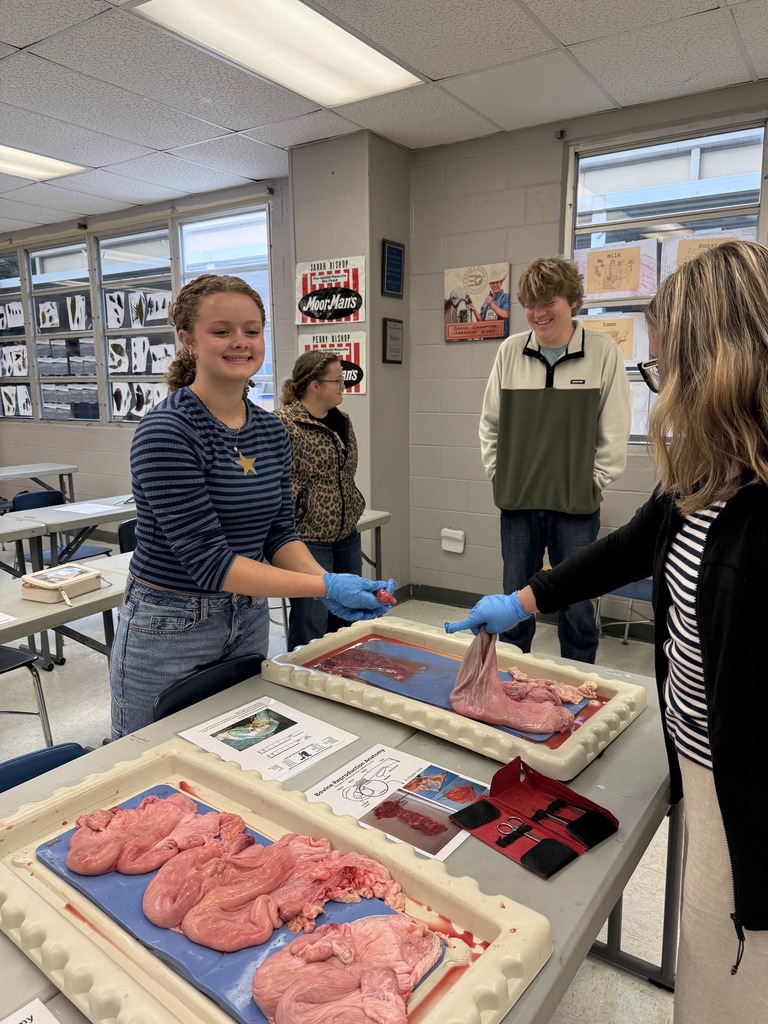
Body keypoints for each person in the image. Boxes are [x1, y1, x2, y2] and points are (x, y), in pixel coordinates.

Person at [448, 239, 768, 1023]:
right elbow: (628, 548)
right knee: (704, 954)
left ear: (723, 368)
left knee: (731, 976)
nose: (664, 395)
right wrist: (523, 601)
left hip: (750, 802)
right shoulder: (709, 475)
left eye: (670, 372)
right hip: (702, 768)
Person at [109, 274, 394, 737]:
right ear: (188, 341)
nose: (240, 342)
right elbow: (210, 563)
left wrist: (328, 578)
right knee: (150, 758)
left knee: (235, 747)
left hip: (248, 616)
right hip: (170, 625)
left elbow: (280, 533)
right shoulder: (167, 431)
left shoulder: (270, 430)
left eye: (252, 330)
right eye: (221, 331)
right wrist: (324, 589)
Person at [478, 256, 630, 662]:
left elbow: (614, 428)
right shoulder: (511, 351)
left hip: (576, 507)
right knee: (514, 603)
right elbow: (489, 424)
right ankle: (508, 680)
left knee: (578, 605)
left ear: (573, 301)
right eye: (530, 303)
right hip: (517, 504)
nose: (538, 312)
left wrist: (594, 480)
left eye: (549, 301)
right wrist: (499, 474)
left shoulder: (602, 352)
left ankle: (581, 683)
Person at [275, 350, 368, 649]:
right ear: (314, 385)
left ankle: (345, 673)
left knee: (350, 611)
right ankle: (303, 678)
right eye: (337, 381)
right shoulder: (284, 424)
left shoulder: (343, 420)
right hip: (308, 537)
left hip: (346, 534)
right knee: (312, 618)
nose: (343, 386)